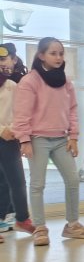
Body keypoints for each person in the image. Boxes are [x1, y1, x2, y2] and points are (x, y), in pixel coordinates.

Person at [13, 37, 84, 246]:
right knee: (38, 184)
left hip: (61, 139)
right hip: (38, 139)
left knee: (72, 180)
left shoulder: (66, 81)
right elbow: (21, 113)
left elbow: (72, 110)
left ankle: (72, 225)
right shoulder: (30, 81)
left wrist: (74, 137)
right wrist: (24, 140)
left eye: (61, 53)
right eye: (53, 53)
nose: (59, 57)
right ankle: (40, 228)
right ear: (41, 55)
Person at [0, 45, 33, 242]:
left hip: (10, 140)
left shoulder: (13, 86)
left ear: (13, 60)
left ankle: (23, 219)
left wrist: (13, 129)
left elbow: (20, 112)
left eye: (3, 59)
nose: (1, 63)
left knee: (17, 181)